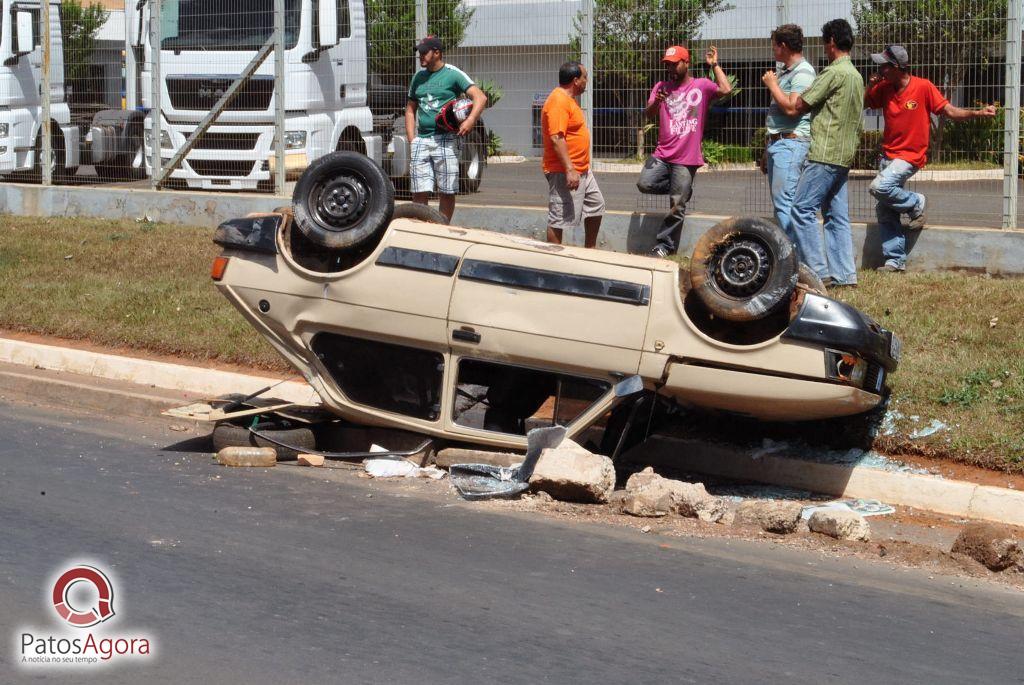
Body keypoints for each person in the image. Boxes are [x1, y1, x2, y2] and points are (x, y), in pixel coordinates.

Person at [864, 44, 997, 272]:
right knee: (884, 209)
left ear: (897, 67)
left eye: (885, 65)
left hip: (910, 156)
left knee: (879, 187)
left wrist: (977, 113)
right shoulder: (884, 87)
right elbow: (867, 102)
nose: (881, 69)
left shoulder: (923, 87)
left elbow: (949, 111)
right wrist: (871, 85)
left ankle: (917, 202)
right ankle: (895, 261)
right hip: (888, 155)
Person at [763, 19, 863, 287]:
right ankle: (845, 275)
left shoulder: (832, 73)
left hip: (824, 152)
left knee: (801, 209)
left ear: (831, 42)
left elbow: (798, 107)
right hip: (844, 154)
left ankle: (818, 273)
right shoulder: (855, 75)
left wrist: (774, 86)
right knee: (836, 215)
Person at [638, 45, 732, 257]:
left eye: (674, 64)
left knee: (676, 206)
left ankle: (664, 246)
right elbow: (648, 114)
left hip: (686, 157)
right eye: (667, 65)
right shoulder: (661, 86)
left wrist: (715, 65)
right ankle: (681, 189)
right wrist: (657, 102)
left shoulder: (701, 86)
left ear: (686, 63)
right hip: (662, 153)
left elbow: (726, 89)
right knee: (644, 183)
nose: (670, 68)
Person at [406, 35, 487, 222]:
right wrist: (413, 139)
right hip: (422, 140)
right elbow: (410, 109)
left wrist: (470, 120)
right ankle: (420, 231)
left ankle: (441, 228)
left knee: (447, 190)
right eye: (419, 52)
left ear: (437, 52)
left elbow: (480, 97)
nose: (421, 56)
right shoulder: (418, 78)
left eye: (424, 52)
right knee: (419, 190)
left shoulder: (453, 74)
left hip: (447, 140)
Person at [541, 61, 604, 247]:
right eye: (585, 77)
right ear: (576, 80)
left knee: (596, 205)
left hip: (582, 169)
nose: (587, 81)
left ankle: (589, 251)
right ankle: (554, 260)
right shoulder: (558, 101)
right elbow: (556, 138)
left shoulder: (569, 100)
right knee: (558, 218)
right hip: (563, 170)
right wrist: (569, 169)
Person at [761, 25, 815, 239]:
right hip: (780, 143)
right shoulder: (788, 72)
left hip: (791, 144)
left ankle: (794, 260)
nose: (773, 50)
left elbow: (793, 109)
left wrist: (773, 85)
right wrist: (769, 148)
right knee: (781, 203)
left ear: (782, 46)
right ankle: (791, 258)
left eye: (774, 45)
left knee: (786, 204)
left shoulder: (803, 72)